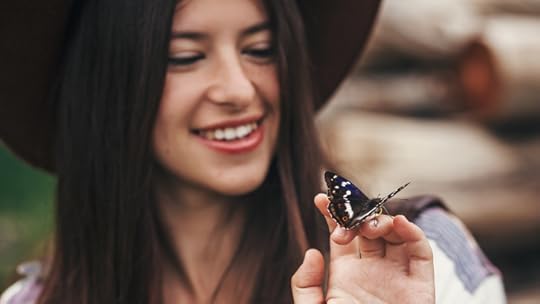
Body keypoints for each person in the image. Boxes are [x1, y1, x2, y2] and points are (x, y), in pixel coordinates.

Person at [0, 0, 505, 303]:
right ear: (110, 86)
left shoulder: (414, 258)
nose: (239, 89)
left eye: (260, 50)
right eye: (185, 57)